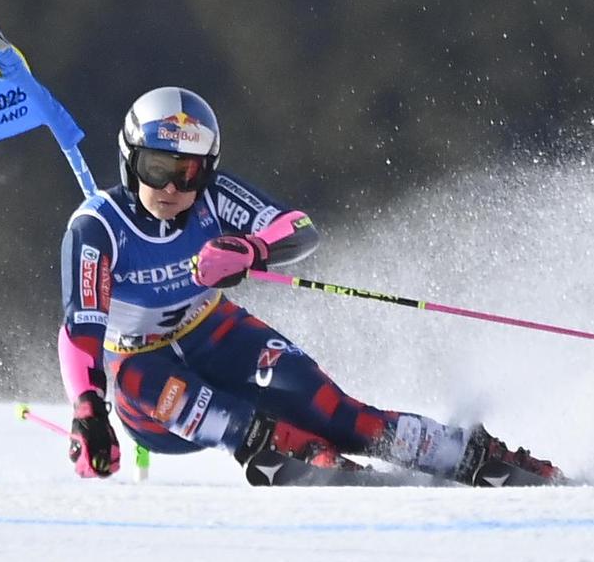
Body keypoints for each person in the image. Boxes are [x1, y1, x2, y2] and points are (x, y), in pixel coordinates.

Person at [57, 86, 562, 486]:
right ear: (130, 160)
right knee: (174, 393)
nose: (171, 188)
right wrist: (87, 411)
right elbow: (80, 331)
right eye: (156, 168)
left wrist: (251, 250)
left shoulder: (212, 197)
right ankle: (287, 450)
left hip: (212, 330)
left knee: (332, 410)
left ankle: (468, 454)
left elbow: (297, 228)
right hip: (140, 374)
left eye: (187, 173)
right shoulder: (98, 227)